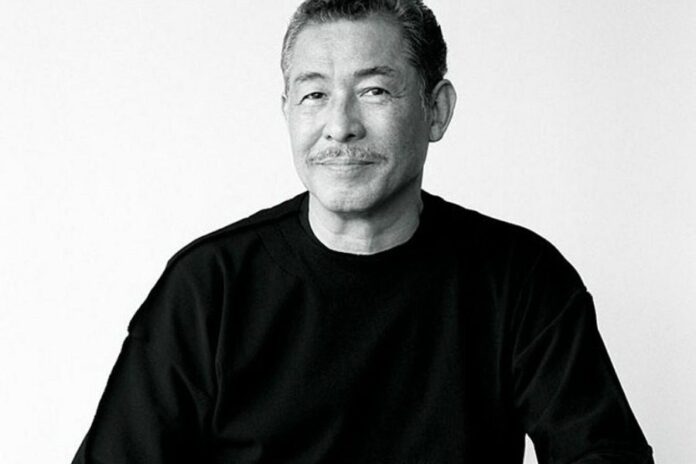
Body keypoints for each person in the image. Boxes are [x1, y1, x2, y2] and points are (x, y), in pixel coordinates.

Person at [72, 0, 654, 462]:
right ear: (287, 111)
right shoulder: (209, 286)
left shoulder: (522, 278)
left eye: (374, 90)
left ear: (436, 110)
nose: (340, 126)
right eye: (314, 95)